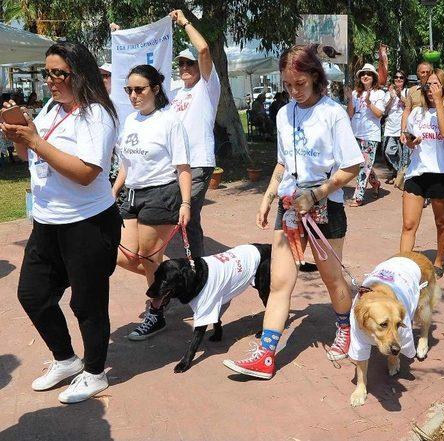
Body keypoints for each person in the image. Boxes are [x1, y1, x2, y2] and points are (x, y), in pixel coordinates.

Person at [223, 44, 363, 380]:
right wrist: (268, 196)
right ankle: (266, 355)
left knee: (332, 279)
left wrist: (318, 193)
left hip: (325, 205)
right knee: (279, 282)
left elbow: (353, 165)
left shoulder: (333, 113)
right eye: (288, 85)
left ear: (315, 77)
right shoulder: (285, 113)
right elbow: (283, 162)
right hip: (289, 206)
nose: (293, 91)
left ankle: (345, 327)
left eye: (299, 83)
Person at [0, 42, 121, 403]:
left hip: (88, 224)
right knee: (33, 295)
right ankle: (67, 359)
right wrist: (20, 134)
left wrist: (35, 141)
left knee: (87, 304)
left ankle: (96, 373)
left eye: (58, 73)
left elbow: (85, 172)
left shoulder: (97, 114)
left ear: (79, 74)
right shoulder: (53, 109)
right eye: (46, 72)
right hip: (48, 222)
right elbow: (30, 158)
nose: (50, 81)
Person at [111, 65, 192, 340]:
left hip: (161, 194)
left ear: (155, 89)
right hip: (131, 196)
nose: (133, 96)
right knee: (121, 254)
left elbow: (182, 167)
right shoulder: (131, 120)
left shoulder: (170, 121)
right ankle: (172, 282)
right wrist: (114, 191)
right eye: (129, 90)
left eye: (139, 89)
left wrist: (185, 203)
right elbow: (126, 163)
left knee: (148, 258)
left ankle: (156, 314)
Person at [168, 9, 221, 259]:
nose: (185, 67)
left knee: (186, 215)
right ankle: (196, 265)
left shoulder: (208, 86)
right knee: (186, 216)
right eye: (181, 63)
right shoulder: (176, 92)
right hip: (177, 164)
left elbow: (203, 50)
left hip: (198, 162)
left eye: (189, 63)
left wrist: (184, 22)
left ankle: (197, 269)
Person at [400, 69, 444, 278]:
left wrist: (438, 104)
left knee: (441, 222)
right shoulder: (417, 113)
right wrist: (410, 140)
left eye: (436, 85)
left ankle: (439, 260)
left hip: (441, 173)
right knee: (408, 224)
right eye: (428, 85)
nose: (430, 89)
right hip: (416, 172)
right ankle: (402, 266)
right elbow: (411, 141)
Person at [346, 63, 385, 206]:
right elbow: (350, 114)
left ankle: (358, 197)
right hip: (356, 133)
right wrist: (350, 99)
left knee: (364, 166)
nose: (365, 76)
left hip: (371, 135)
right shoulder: (356, 94)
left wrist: (369, 103)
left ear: (374, 77)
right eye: (363, 74)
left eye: (368, 74)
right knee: (361, 164)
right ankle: (375, 183)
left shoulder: (380, 93)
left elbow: (379, 114)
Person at [382, 70, 409, 183]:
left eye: (401, 78)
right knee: (388, 152)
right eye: (396, 77)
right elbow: (385, 111)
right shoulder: (388, 93)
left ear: (404, 80)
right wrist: (392, 98)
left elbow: (409, 106)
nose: (398, 79)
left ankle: (400, 176)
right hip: (390, 127)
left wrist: (399, 96)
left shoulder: (407, 92)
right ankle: (398, 172)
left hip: (404, 127)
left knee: (403, 154)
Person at [400, 62, 434, 144]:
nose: (425, 74)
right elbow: (407, 110)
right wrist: (403, 131)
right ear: (418, 74)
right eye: (423, 72)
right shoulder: (412, 90)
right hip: (414, 131)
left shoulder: (436, 89)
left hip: (431, 130)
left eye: (428, 72)